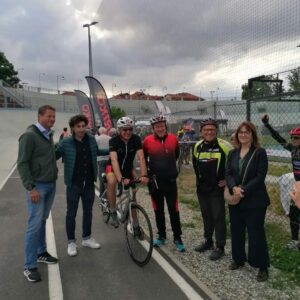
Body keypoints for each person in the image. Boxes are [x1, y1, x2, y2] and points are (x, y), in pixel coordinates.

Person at [17, 105, 58, 282]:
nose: (52, 119)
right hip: (37, 187)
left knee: (42, 220)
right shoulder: (29, 136)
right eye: (49, 116)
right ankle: (29, 266)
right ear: (39, 116)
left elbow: (48, 156)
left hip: (50, 184)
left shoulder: (47, 134)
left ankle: (41, 252)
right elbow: (23, 163)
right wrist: (30, 187)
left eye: (53, 117)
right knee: (34, 224)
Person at [226, 121, 270, 282]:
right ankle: (238, 259)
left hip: (255, 201)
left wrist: (242, 190)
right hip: (236, 199)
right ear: (237, 135)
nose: (243, 134)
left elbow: (260, 176)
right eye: (240, 132)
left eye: (247, 132)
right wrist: (233, 188)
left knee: (255, 233)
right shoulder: (232, 153)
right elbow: (228, 173)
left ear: (253, 134)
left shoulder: (260, 153)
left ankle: (262, 266)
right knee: (236, 230)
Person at [55, 115, 101, 257]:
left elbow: (97, 153)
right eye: (78, 126)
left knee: (88, 212)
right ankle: (71, 242)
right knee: (71, 214)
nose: (81, 129)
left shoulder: (91, 140)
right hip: (74, 184)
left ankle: (86, 238)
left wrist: (114, 152)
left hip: (88, 184)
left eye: (83, 126)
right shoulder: (66, 142)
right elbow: (53, 155)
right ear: (73, 128)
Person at [143, 114, 185, 252]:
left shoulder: (173, 139)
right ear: (153, 128)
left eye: (161, 126)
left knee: (174, 210)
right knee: (158, 210)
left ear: (165, 126)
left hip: (170, 181)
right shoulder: (147, 141)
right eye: (157, 126)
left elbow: (176, 154)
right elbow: (143, 158)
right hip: (155, 182)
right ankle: (161, 236)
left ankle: (177, 238)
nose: (159, 128)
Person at [192, 118, 232, 260]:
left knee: (218, 217)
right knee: (206, 216)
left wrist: (228, 180)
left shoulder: (225, 146)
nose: (209, 132)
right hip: (202, 189)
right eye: (206, 130)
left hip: (217, 190)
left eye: (212, 130)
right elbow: (195, 166)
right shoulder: (197, 146)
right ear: (201, 132)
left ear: (216, 131)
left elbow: (236, 165)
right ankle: (208, 241)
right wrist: (198, 183)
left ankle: (220, 246)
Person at [262, 114, 300, 251]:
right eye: (292, 137)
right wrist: (267, 125)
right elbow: (279, 138)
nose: (293, 140)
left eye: (296, 138)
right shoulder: (293, 149)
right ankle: (295, 241)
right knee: (294, 213)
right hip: (298, 187)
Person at [106, 117, 148, 229]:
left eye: (130, 129)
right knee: (112, 181)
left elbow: (141, 157)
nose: (128, 132)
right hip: (112, 167)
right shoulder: (113, 141)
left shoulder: (136, 139)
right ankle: (113, 211)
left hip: (128, 169)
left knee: (133, 198)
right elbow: (114, 160)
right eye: (124, 129)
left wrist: (144, 175)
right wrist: (120, 179)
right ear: (119, 130)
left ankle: (136, 225)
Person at [95, 127, 111, 194]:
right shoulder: (110, 138)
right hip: (108, 159)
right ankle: (110, 191)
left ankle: (103, 192)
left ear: (99, 132)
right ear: (106, 131)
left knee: (102, 176)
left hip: (100, 159)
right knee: (109, 175)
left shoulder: (97, 138)